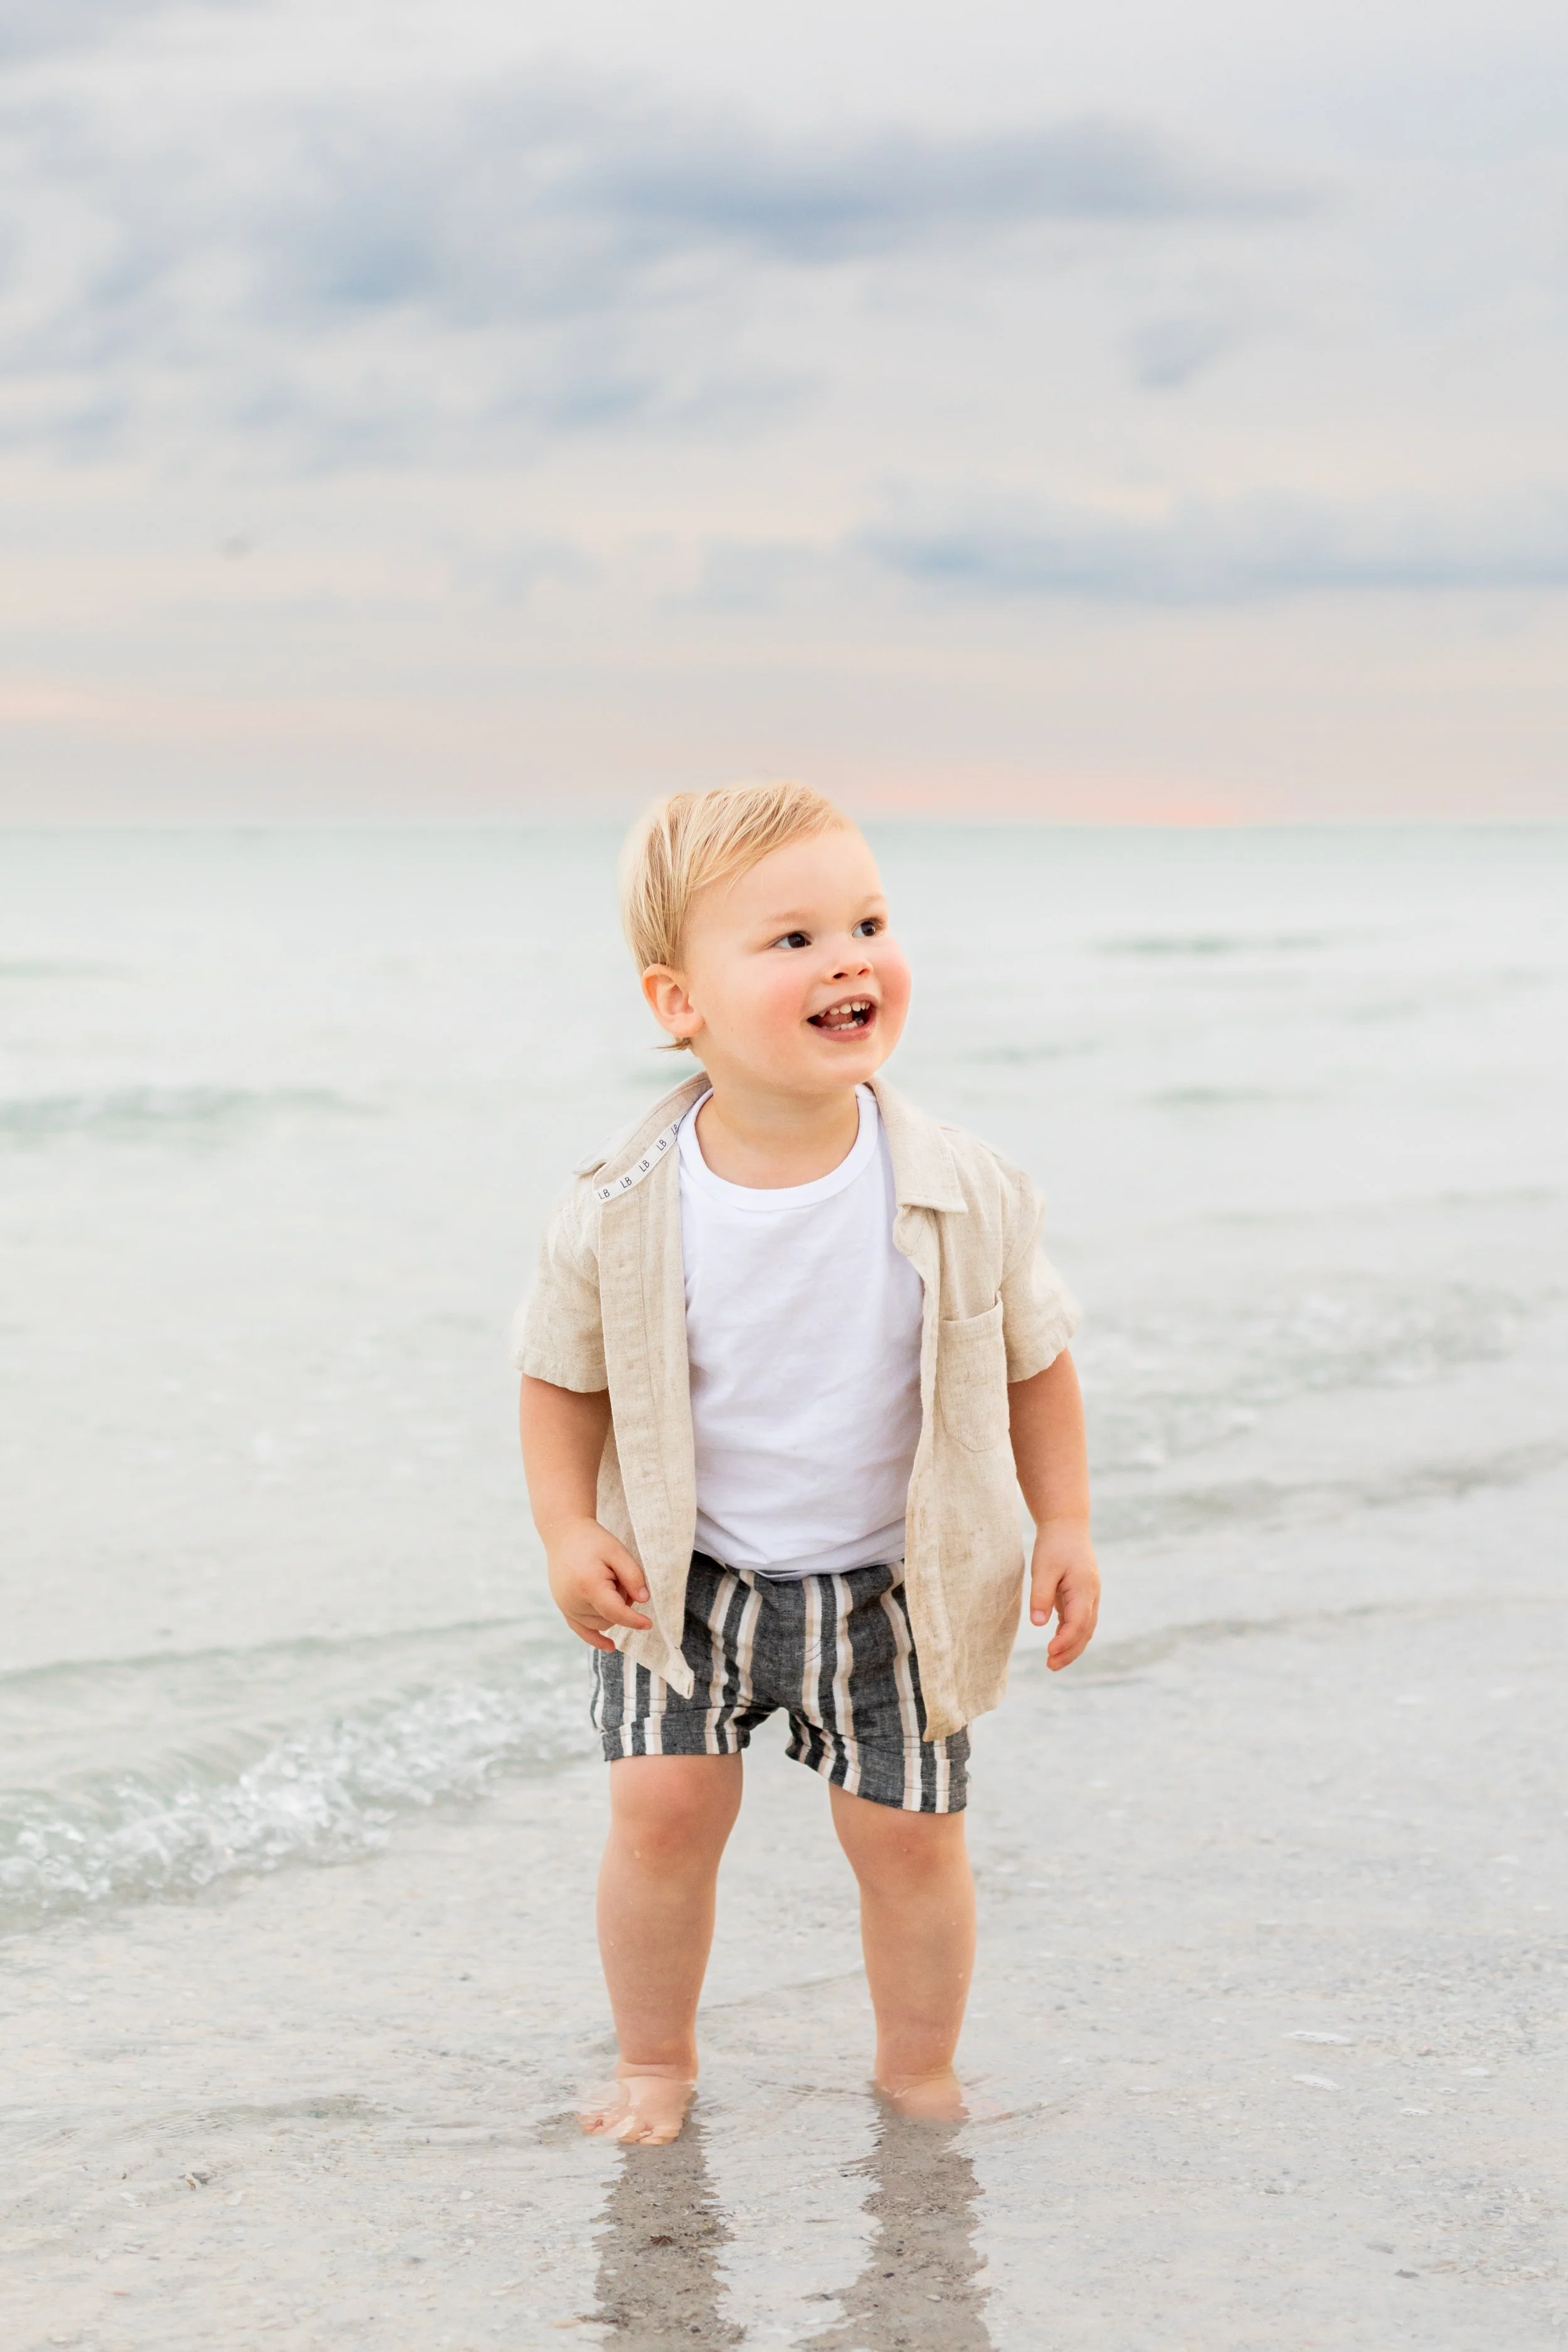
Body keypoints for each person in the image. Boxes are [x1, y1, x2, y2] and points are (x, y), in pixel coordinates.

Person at [515, 781, 1098, 2144]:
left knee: (905, 1841)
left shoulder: (963, 1183)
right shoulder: (616, 1203)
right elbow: (558, 1376)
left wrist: (1062, 1523)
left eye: (867, 922)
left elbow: (1034, 1360)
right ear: (678, 1004)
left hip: (895, 1587)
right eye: (789, 941)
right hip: (688, 1578)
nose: (846, 958)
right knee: (659, 1816)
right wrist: (560, 1530)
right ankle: (654, 2062)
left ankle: (915, 2072)